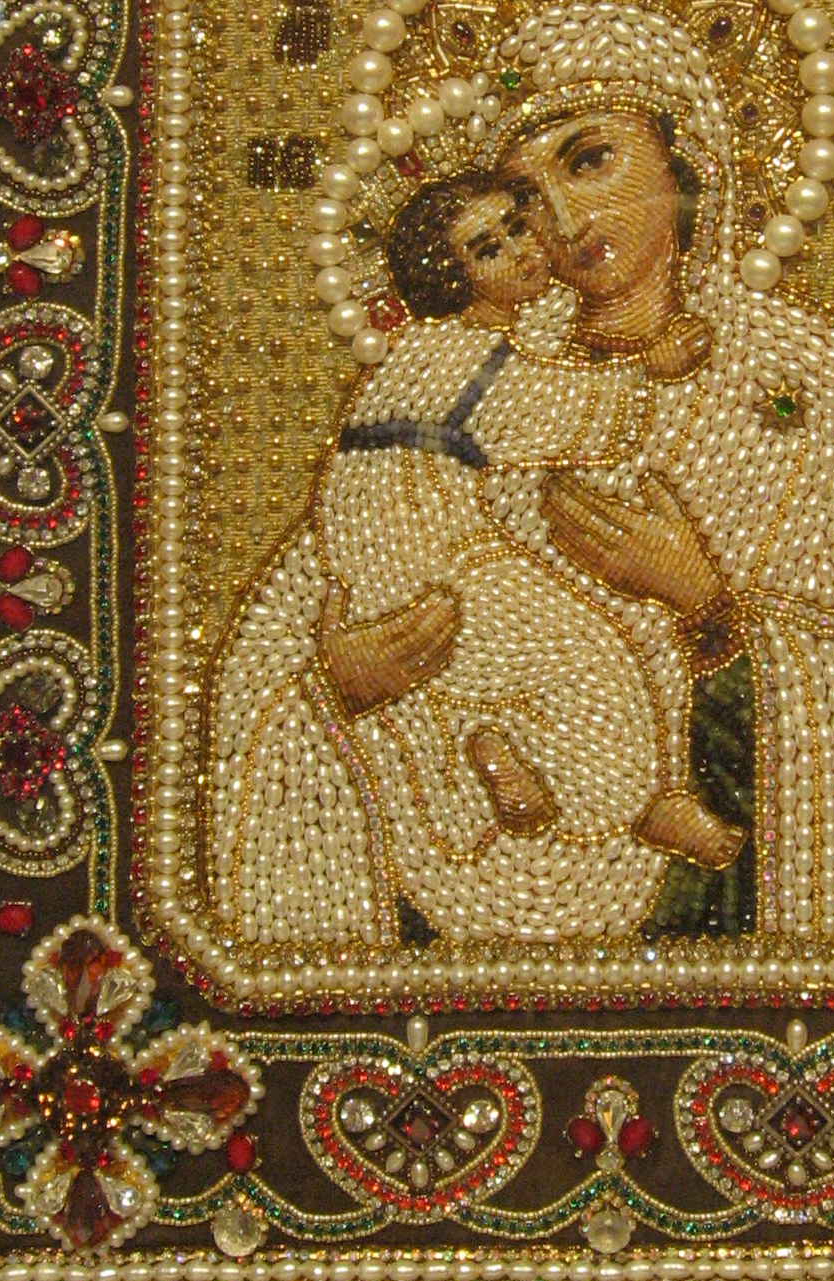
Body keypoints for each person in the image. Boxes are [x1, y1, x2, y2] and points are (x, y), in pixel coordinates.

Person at [199, 0, 834, 961]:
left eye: (588, 160)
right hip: (438, 921)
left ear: (688, 165)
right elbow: (283, 646)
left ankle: (633, 799)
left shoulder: (827, 396)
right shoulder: (464, 372)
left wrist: (707, 606)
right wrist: (341, 685)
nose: (554, 219)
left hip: (715, 928)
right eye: (519, 199)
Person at [309, 167, 742, 941]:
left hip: (397, 547)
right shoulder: (465, 355)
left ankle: (495, 749)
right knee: (590, 659)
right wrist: (649, 368)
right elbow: (554, 411)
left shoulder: (439, 351)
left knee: (532, 665)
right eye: (488, 248)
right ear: (451, 277)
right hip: (431, 549)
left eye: (516, 226)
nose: (521, 249)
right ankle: (642, 804)